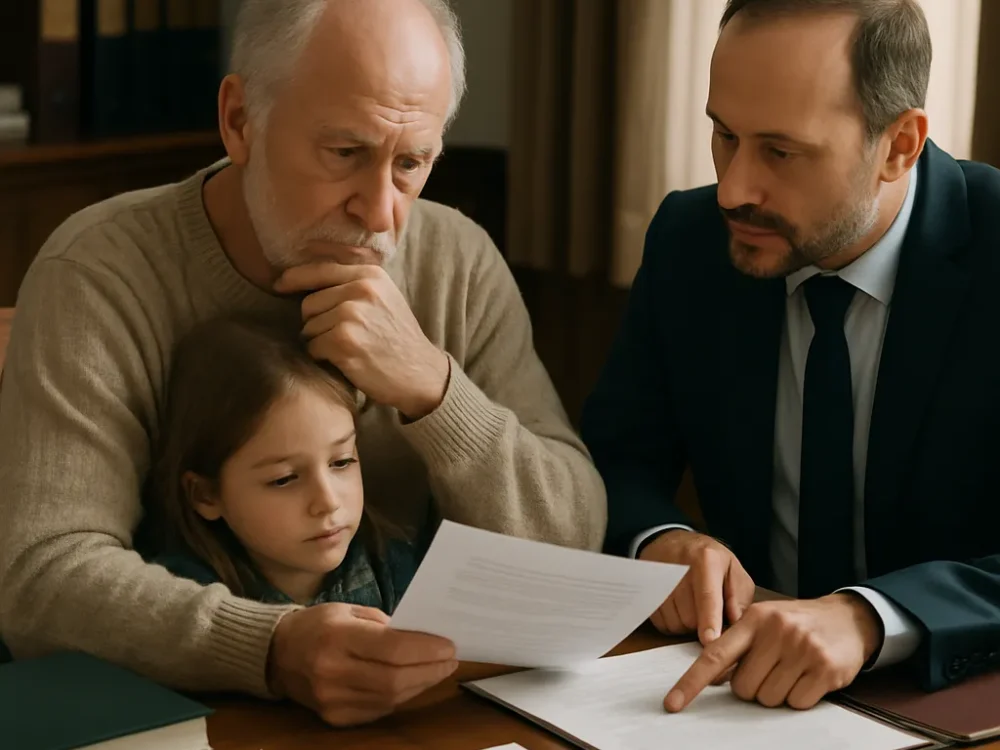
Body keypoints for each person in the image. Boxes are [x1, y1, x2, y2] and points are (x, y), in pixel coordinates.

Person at [0, 0, 606, 728]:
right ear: (240, 121)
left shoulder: (458, 262)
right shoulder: (99, 271)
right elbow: (42, 582)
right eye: (345, 153)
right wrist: (271, 648)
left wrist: (434, 392)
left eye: (410, 163)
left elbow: (574, 542)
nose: (380, 212)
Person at [582, 0, 1000, 714]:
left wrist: (870, 617)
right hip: (736, 700)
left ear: (899, 144)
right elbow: (611, 460)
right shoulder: (690, 242)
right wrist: (662, 539)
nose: (734, 189)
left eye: (780, 151)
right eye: (723, 135)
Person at [148, 316, 419, 612]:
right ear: (206, 494)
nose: (328, 502)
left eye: (341, 462)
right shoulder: (176, 599)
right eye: (284, 479)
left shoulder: (397, 568)